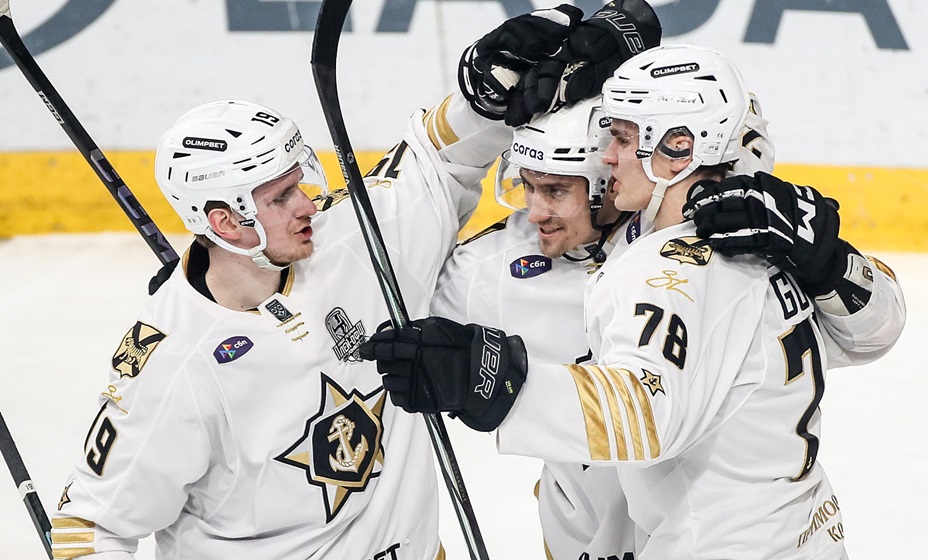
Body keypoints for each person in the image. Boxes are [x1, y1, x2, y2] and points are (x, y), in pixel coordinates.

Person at [46, 4, 600, 557]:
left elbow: (438, 158)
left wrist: (487, 95)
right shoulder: (173, 367)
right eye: (281, 197)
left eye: (300, 182)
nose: (308, 204)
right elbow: (90, 529)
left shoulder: (354, 242)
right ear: (225, 223)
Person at [361, 44, 906, 559]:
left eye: (621, 139)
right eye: (529, 186)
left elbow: (648, 412)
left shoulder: (671, 264)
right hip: (795, 534)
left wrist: (488, 380)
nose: (609, 156)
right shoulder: (756, 238)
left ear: (677, 149)